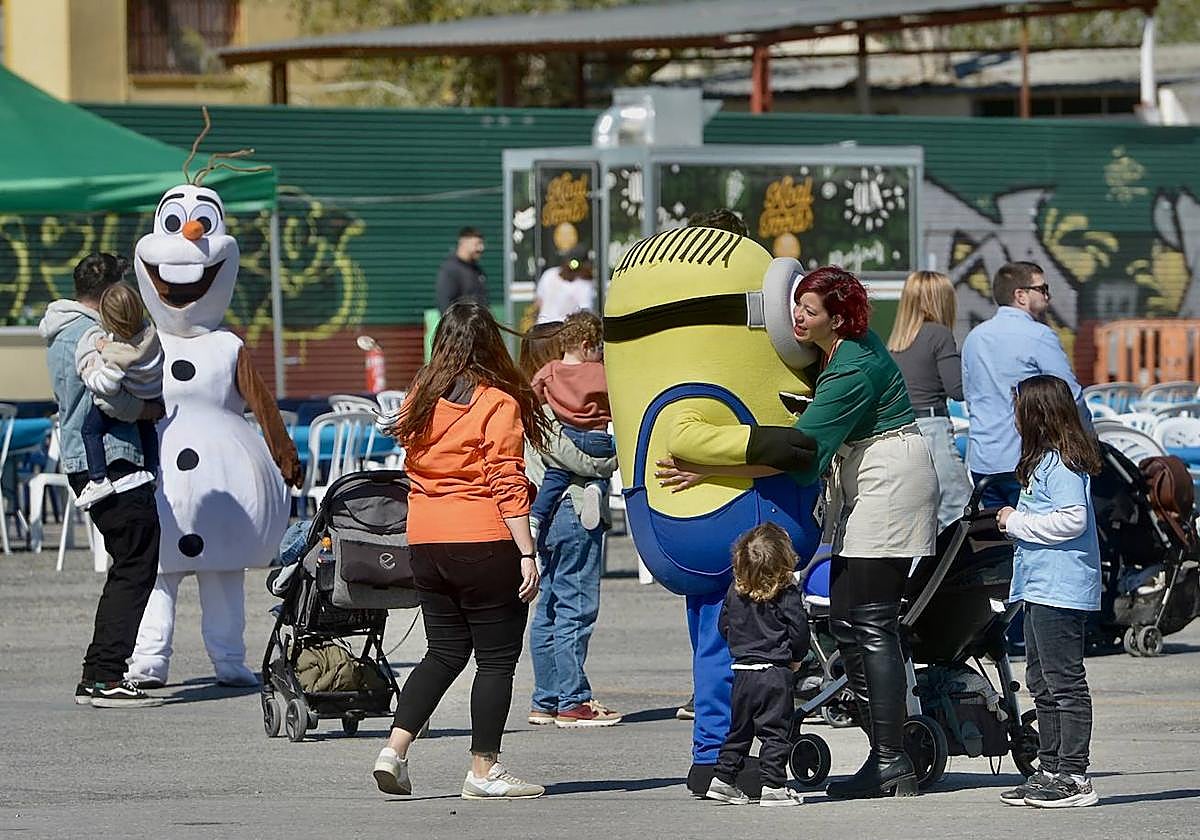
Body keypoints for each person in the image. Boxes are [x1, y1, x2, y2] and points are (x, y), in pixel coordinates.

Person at [657, 265, 938, 800]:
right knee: (848, 616)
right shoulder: (841, 349)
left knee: (870, 620)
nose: (797, 317)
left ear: (837, 317)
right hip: (872, 475)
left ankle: (890, 759)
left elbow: (797, 450)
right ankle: (885, 751)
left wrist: (711, 466)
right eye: (797, 306)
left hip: (890, 478)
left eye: (808, 310)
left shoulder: (851, 368)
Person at [373, 301, 550, 800]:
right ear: (491, 345)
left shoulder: (420, 398)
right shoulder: (497, 402)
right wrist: (527, 552)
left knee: (444, 652)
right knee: (496, 661)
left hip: (426, 539)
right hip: (483, 539)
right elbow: (506, 481)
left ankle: (394, 750)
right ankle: (483, 769)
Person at [39, 253, 164, 708]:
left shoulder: (58, 331)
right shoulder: (90, 335)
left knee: (127, 563)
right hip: (115, 463)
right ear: (113, 292)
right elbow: (106, 398)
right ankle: (105, 675)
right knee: (135, 565)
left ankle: (100, 672)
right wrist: (147, 409)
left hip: (87, 463)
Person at [997, 374, 1102, 808]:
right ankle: (1050, 767)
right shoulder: (1042, 461)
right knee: (1040, 678)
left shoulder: (1062, 463)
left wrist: (1016, 522)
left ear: (1037, 413)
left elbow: (1072, 519)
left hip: (1061, 587)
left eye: (1018, 407)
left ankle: (1074, 776)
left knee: (1064, 682)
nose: (1013, 416)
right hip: (1040, 585)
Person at [518, 322, 623, 730]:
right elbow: (572, 459)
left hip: (547, 513)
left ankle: (546, 697)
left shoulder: (535, 395)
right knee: (576, 608)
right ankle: (573, 700)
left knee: (549, 608)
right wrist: (613, 460)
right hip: (574, 510)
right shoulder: (549, 410)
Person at [961, 261, 1089, 510]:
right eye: (1042, 288)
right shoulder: (1039, 335)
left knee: (998, 542)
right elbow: (1071, 396)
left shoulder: (975, 337)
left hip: (982, 460)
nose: (1048, 296)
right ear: (1020, 295)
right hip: (1026, 460)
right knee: (1040, 539)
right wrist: (1089, 438)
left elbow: (970, 395)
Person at [705, 523, 809, 807]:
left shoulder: (735, 591)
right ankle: (773, 786)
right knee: (775, 732)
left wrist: (741, 644)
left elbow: (724, 625)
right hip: (774, 672)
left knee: (739, 730)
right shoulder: (786, 593)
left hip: (742, 672)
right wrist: (796, 657)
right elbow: (798, 630)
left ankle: (724, 779)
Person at [888, 270, 972, 532]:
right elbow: (957, 389)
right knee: (960, 509)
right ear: (941, 300)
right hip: (932, 428)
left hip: (901, 432)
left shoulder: (896, 342)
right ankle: (962, 572)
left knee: (918, 519)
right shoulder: (939, 335)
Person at [75, 283, 163, 510]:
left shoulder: (117, 355)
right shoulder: (149, 332)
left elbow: (108, 387)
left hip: (131, 399)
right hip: (153, 395)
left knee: (90, 430)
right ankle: (153, 469)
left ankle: (98, 479)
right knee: (148, 430)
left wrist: (89, 374)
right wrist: (110, 345)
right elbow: (129, 348)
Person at [529, 310, 614, 535]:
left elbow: (533, 394)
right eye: (599, 348)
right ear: (586, 346)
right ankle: (596, 488)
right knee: (602, 471)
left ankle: (536, 517)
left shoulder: (550, 370)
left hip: (568, 435)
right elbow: (617, 400)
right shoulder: (600, 372)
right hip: (598, 438)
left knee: (555, 475)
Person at [435, 226, 487, 313]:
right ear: (463, 242)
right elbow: (444, 304)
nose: (481, 248)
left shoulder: (477, 269)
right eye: (477, 244)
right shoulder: (450, 270)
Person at [535, 253, 596, 325]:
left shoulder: (584, 285)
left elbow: (585, 311)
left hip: (565, 329)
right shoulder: (549, 274)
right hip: (544, 325)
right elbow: (539, 302)